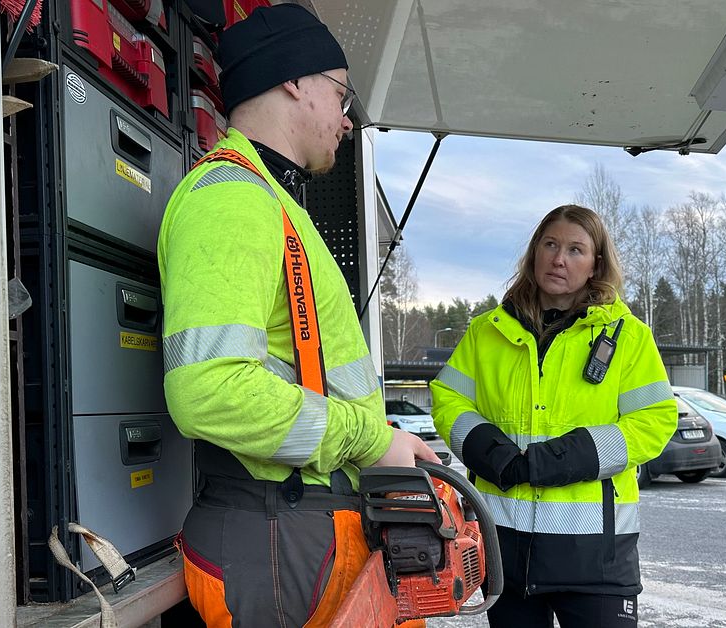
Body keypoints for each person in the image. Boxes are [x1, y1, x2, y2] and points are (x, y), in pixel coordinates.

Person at [158, 5, 438, 626]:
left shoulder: (273, 203)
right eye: (341, 95)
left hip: (296, 530)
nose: (345, 119)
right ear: (293, 81)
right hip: (277, 535)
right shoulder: (231, 199)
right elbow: (207, 389)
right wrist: (373, 440)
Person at [430, 204, 677, 628]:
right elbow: (448, 400)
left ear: (596, 263)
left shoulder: (629, 337)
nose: (560, 259)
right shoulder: (485, 332)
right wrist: (490, 451)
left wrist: (566, 457)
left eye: (576, 250)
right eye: (551, 244)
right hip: (504, 553)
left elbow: (654, 421)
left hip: (596, 561)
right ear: (534, 252)